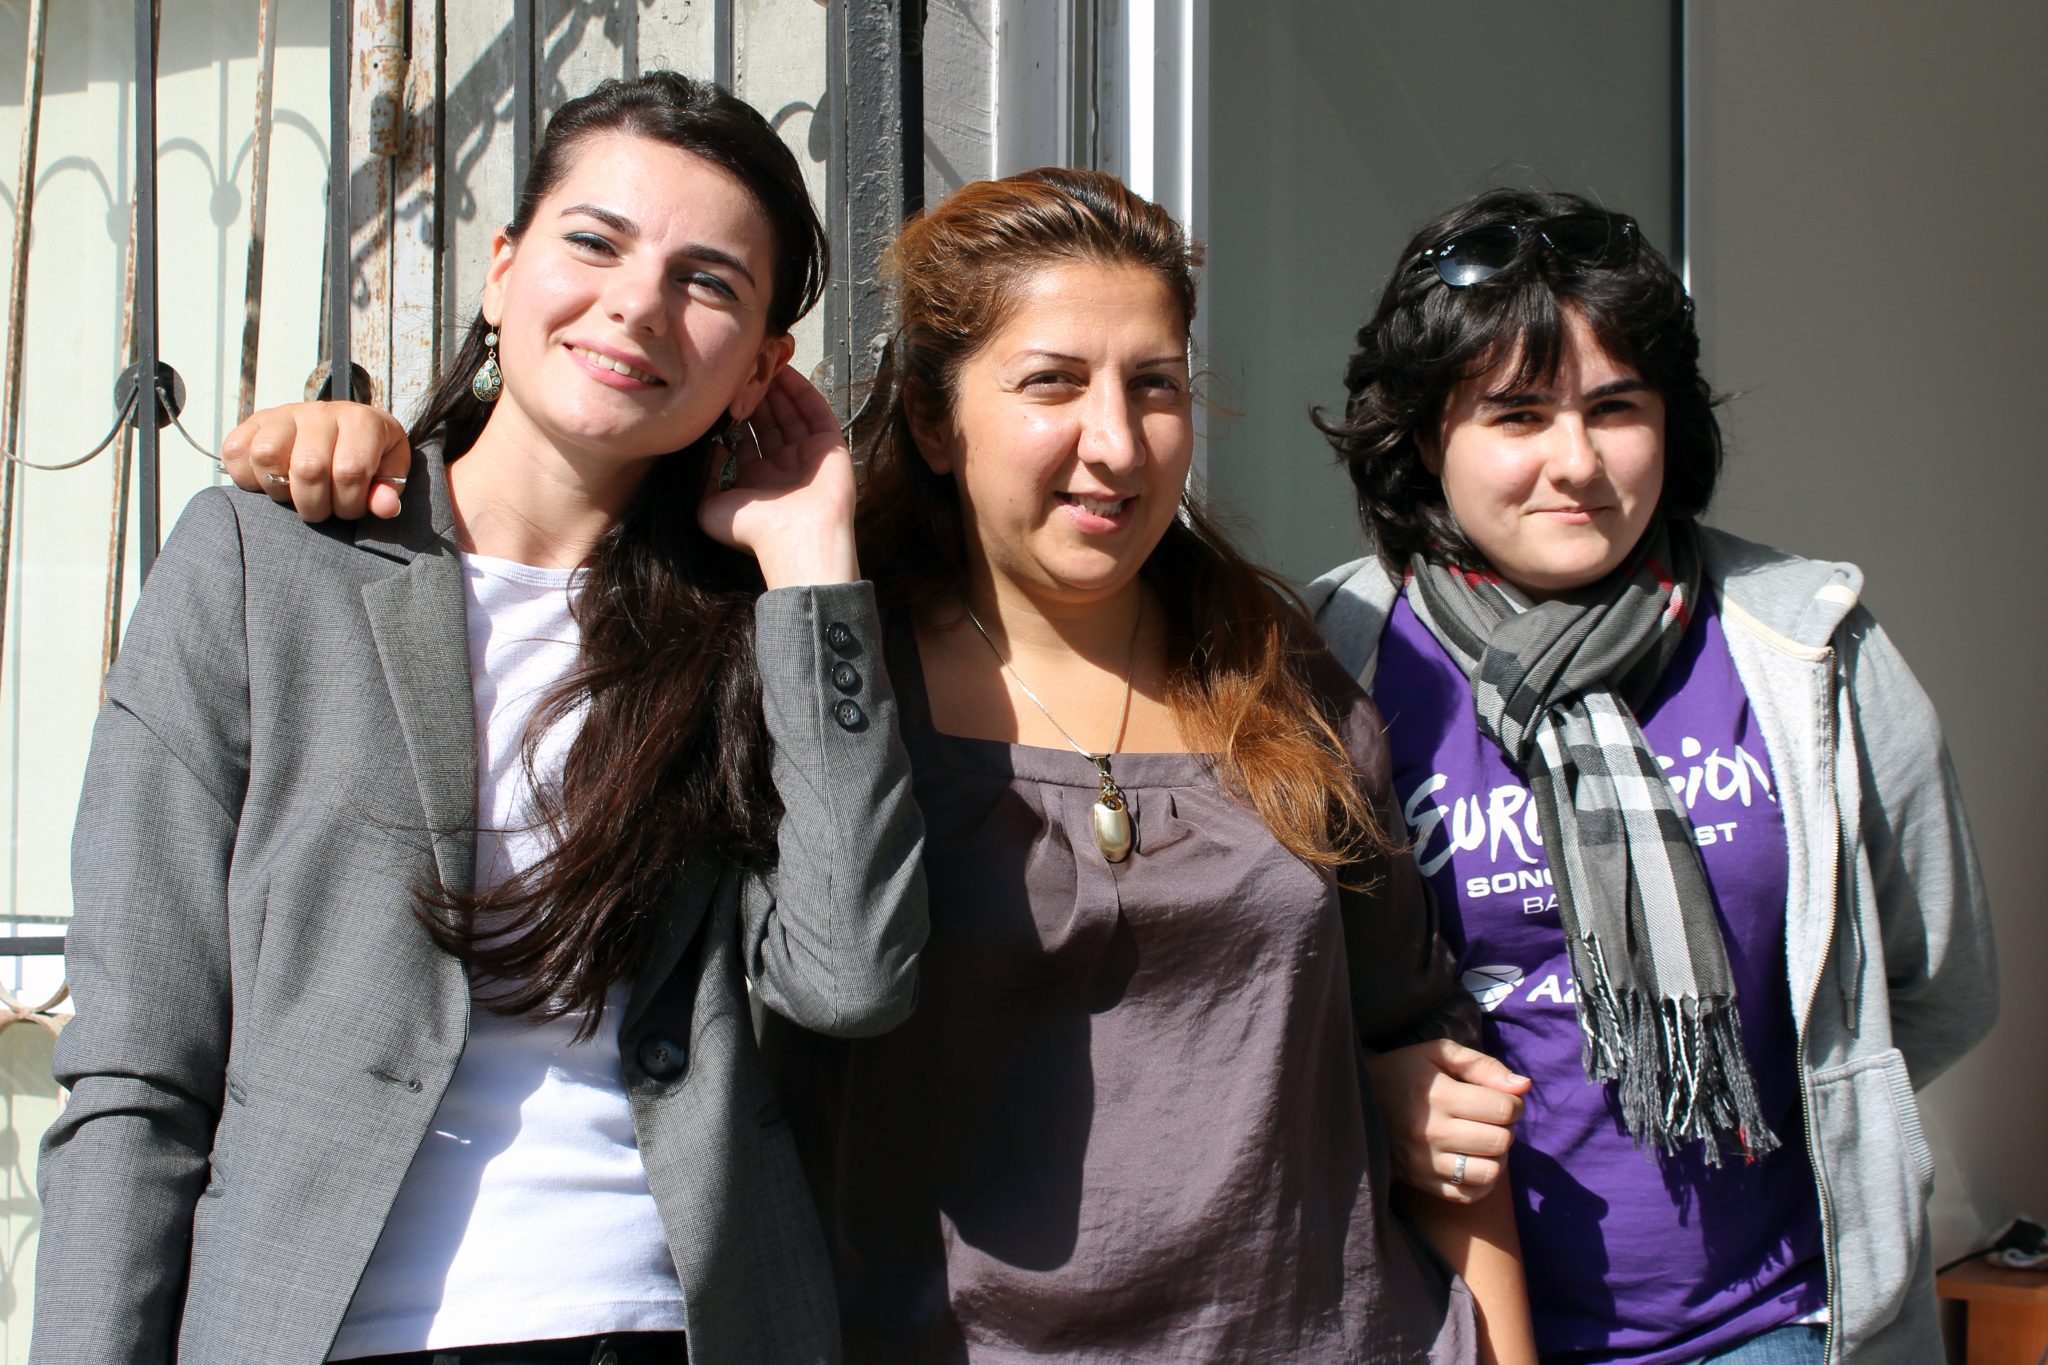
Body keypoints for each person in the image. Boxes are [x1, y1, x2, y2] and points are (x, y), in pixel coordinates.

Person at [215, 169, 1537, 1363]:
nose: (1119, 443)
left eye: (1154, 383)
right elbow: (554, 523)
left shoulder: (1280, 675)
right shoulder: (809, 673)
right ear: (934, 417)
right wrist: (369, 452)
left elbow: (1431, 1070)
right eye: (1051, 383)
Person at [36, 72, 926, 1365]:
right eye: (595, 241)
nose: (636, 302)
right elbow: (136, 1074)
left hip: (668, 1318)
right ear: (503, 269)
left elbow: (851, 979)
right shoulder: (268, 564)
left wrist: (815, 566)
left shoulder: (758, 631)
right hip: (329, 1325)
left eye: (709, 281)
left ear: (760, 370)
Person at [1305, 188, 1998, 1364]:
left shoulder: (1805, 647)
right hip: (1447, 1325)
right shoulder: (1331, 661)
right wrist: (1374, 1101)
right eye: (1516, 415)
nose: (1574, 463)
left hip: (1779, 1325)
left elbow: (1933, 983)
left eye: (1614, 408)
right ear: (1426, 438)